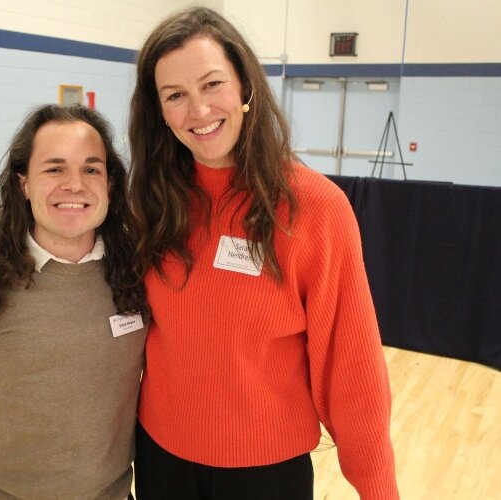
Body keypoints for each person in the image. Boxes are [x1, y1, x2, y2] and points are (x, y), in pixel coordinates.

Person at [128, 7, 399, 500]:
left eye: (212, 85)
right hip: (161, 458)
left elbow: (350, 363)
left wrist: (378, 489)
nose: (199, 111)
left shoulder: (316, 209)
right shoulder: (150, 203)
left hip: (266, 471)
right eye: (176, 96)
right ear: (160, 113)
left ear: (245, 88)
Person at [0, 104, 147, 500]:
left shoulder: (136, 272)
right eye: (54, 168)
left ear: (110, 184)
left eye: (91, 169)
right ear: (23, 183)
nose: (75, 185)